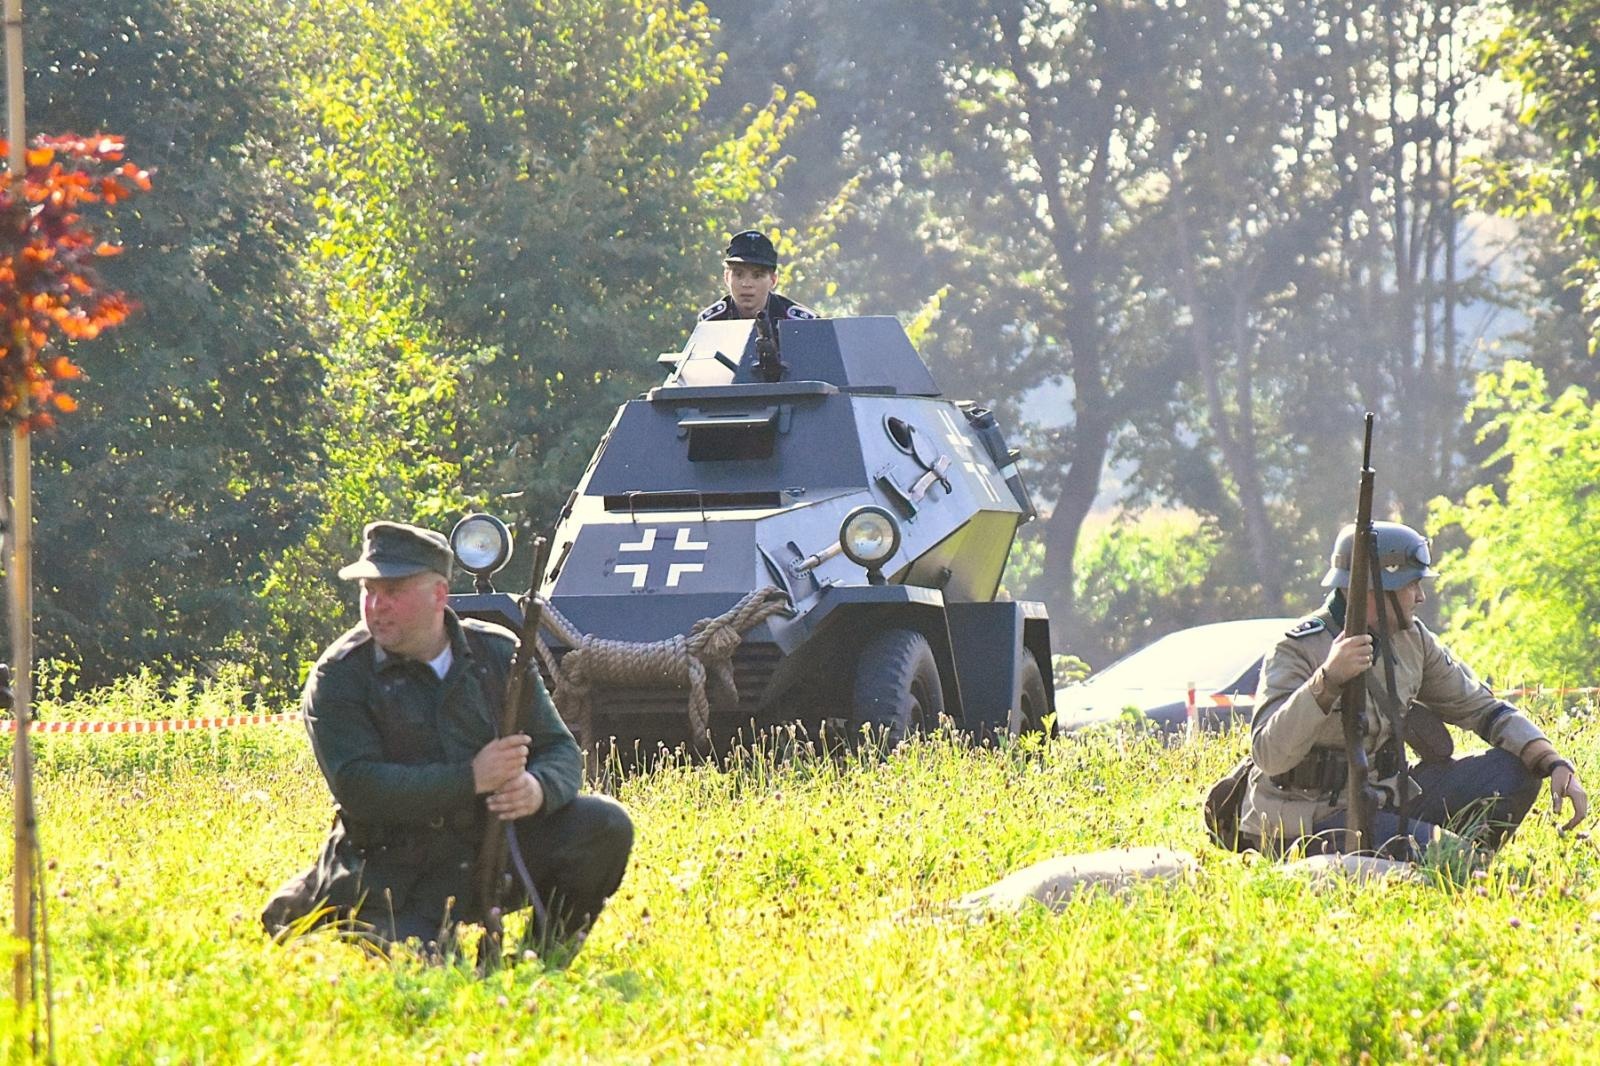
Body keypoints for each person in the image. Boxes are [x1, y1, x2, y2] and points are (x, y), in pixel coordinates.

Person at [262, 521, 633, 958]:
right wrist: (471, 778)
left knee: (604, 825)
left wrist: (537, 789)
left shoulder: (496, 654)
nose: (377, 606)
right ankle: (318, 905)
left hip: (483, 852)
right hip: (390, 870)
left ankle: (540, 964)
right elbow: (359, 787)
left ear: (439, 594)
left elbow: (560, 750)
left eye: (394, 590)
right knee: (435, 977)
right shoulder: (341, 675)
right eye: (369, 590)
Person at [1238, 520, 1588, 860]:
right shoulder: (1299, 648)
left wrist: (1552, 760)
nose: (1420, 596)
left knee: (1515, 769)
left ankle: (1451, 860)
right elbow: (1269, 755)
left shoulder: (1412, 639)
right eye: (1412, 585)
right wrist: (1327, 680)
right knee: (1455, 860)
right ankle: (1454, 863)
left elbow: (1480, 707)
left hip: (1384, 802)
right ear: (1375, 588)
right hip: (1306, 820)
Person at [696, 229, 818, 325]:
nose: (747, 284)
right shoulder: (712, 322)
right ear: (727, 277)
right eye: (739, 275)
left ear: (773, 280)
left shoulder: (798, 321)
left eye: (757, 275)